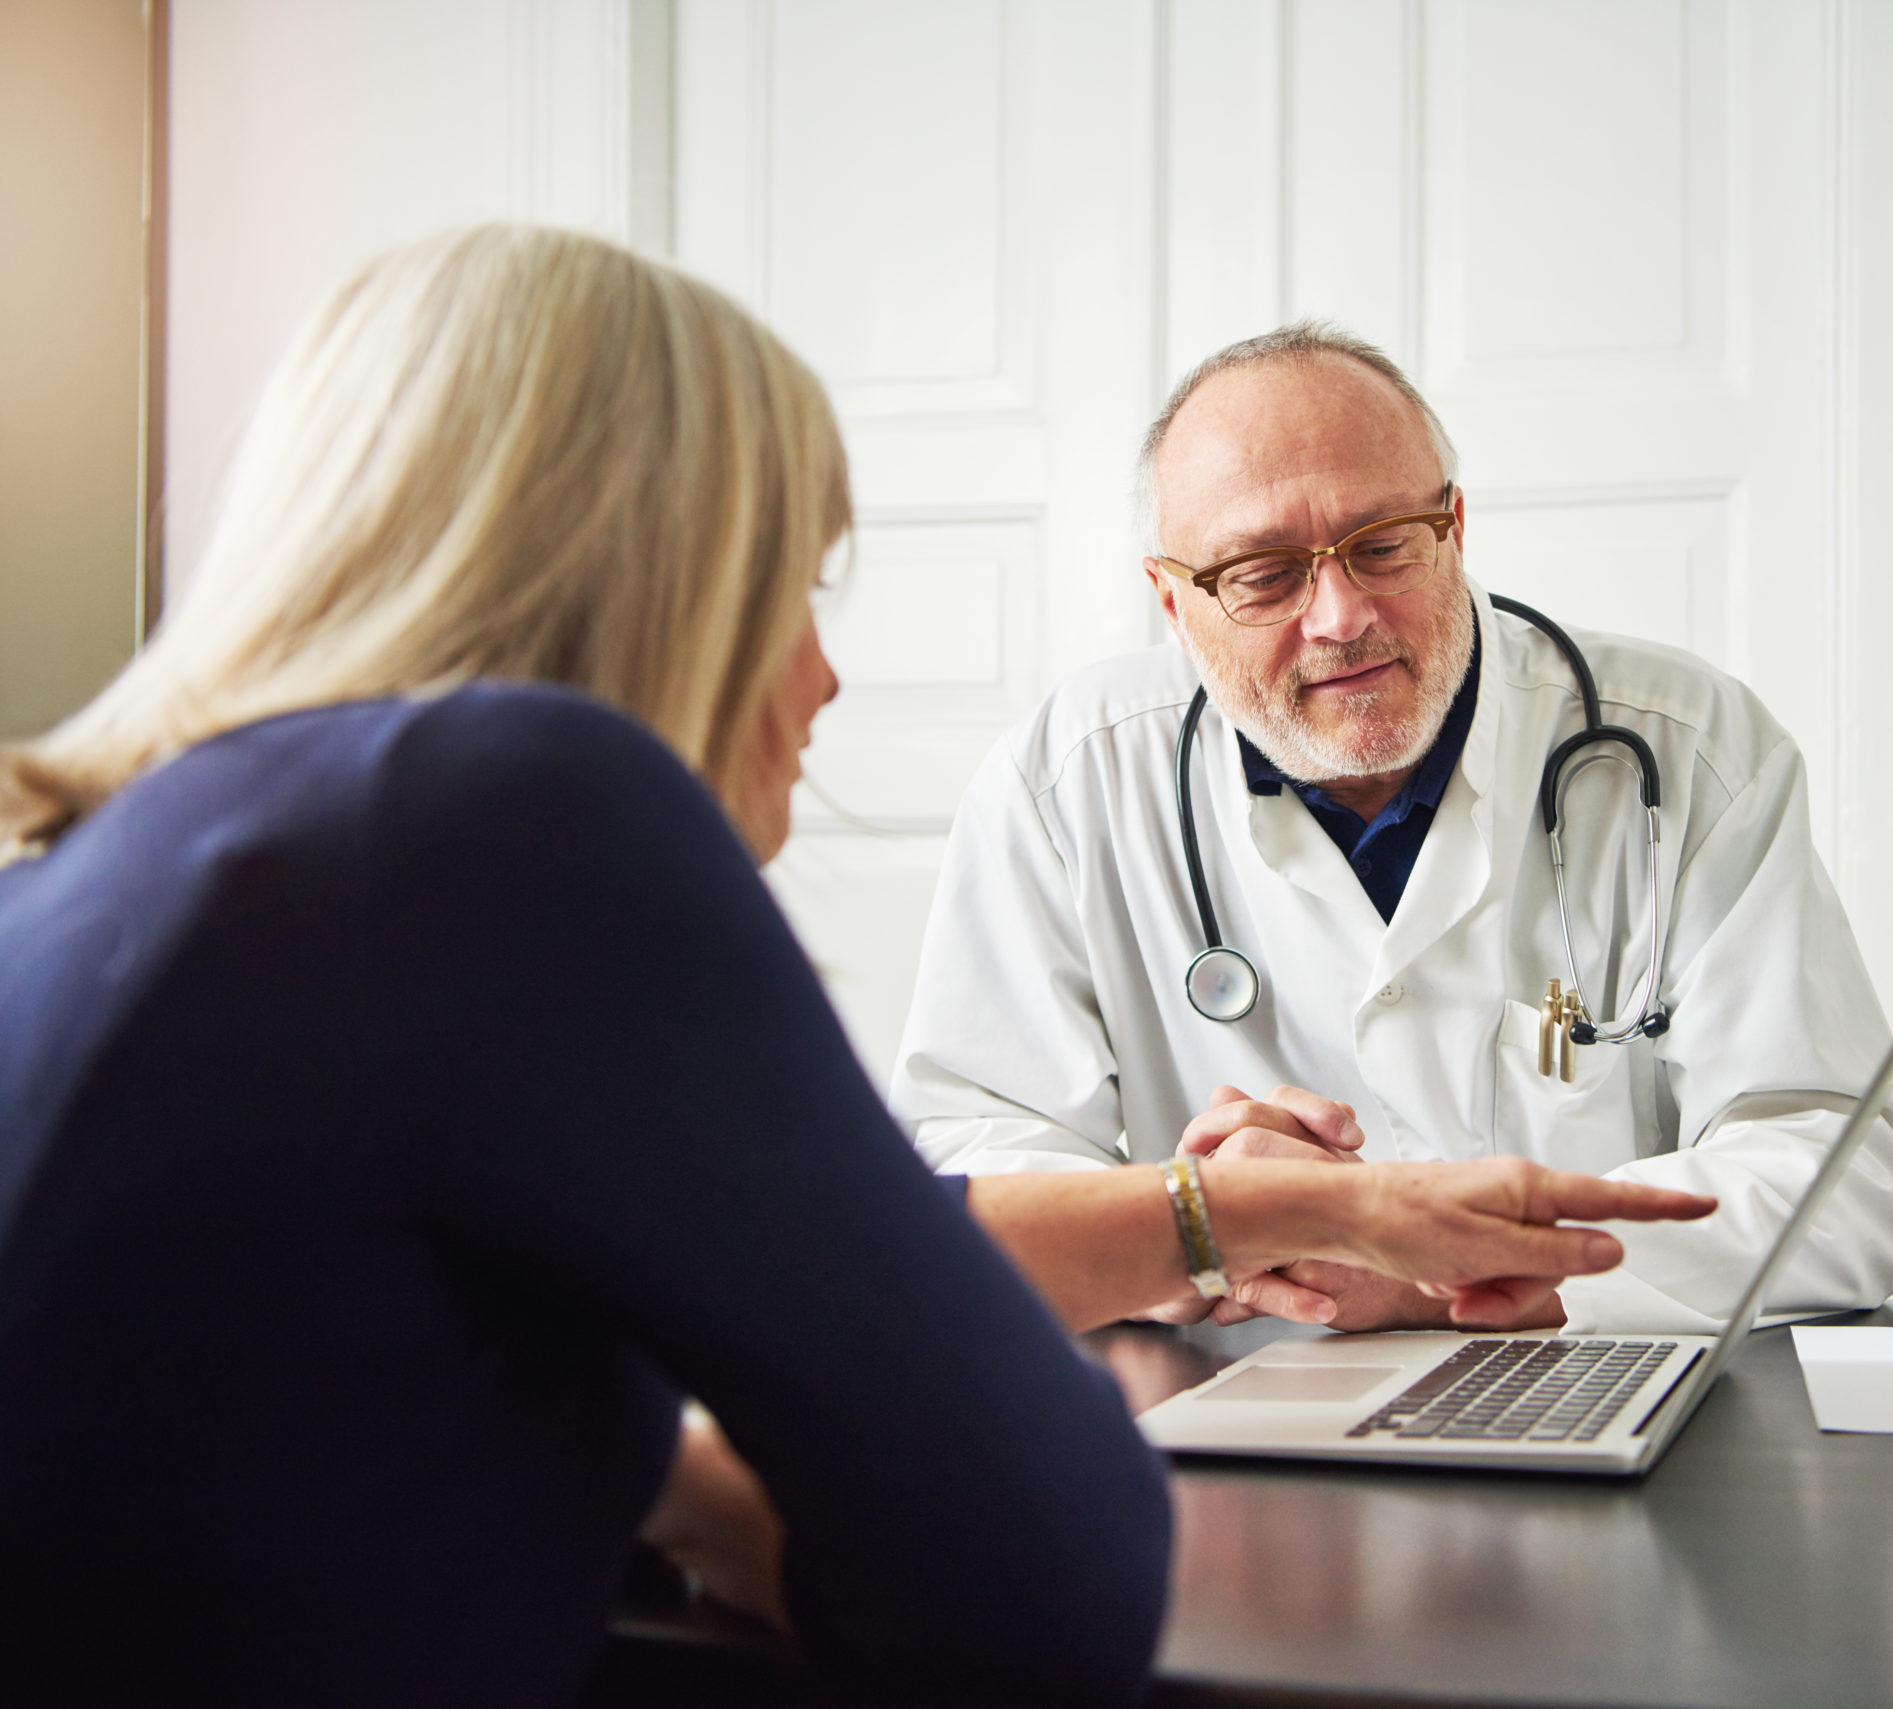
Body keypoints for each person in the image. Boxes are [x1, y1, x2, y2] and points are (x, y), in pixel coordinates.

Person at [0, 229, 1712, 1709]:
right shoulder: (519, 806)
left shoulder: (128, 860)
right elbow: (1050, 1570)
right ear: (647, 578)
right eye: (793, 585)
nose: (820, 679)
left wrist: (668, 1470)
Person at [894, 321, 1893, 1336]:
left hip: (1585, 1393)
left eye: (1382, 545)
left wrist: (1475, 1260)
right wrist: (1199, 1226)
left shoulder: (1691, 747)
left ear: (1455, 526)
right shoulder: (1065, 783)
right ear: (1173, 602)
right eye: (1263, 575)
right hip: (1231, 1431)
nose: (1341, 614)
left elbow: (1846, 1175)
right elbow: (970, 1169)